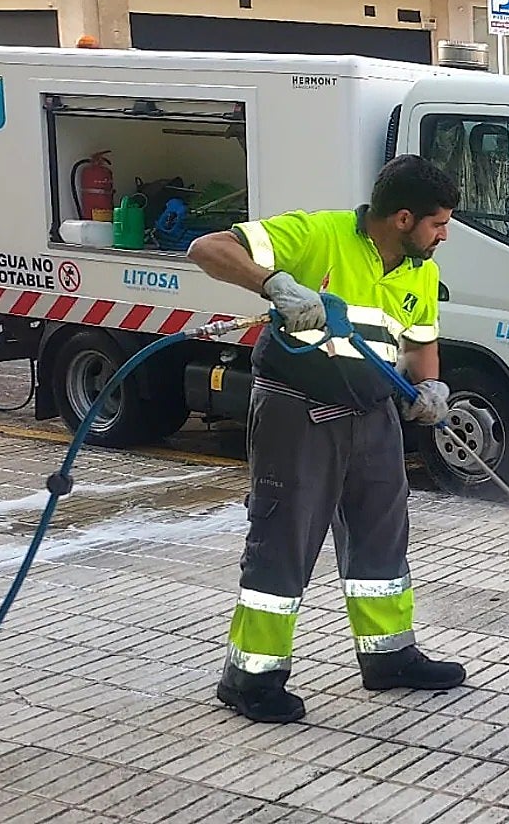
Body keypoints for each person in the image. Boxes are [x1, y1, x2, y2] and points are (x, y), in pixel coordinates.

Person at [186, 154, 465, 724]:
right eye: (439, 223)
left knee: (381, 538)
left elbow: (418, 342)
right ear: (404, 218)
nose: (445, 234)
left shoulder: (420, 270)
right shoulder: (319, 233)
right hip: (298, 410)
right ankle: (252, 677)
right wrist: (277, 283)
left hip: (373, 414)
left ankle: (389, 657)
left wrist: (430, 385)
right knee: (284, 536)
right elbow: (207, 249)